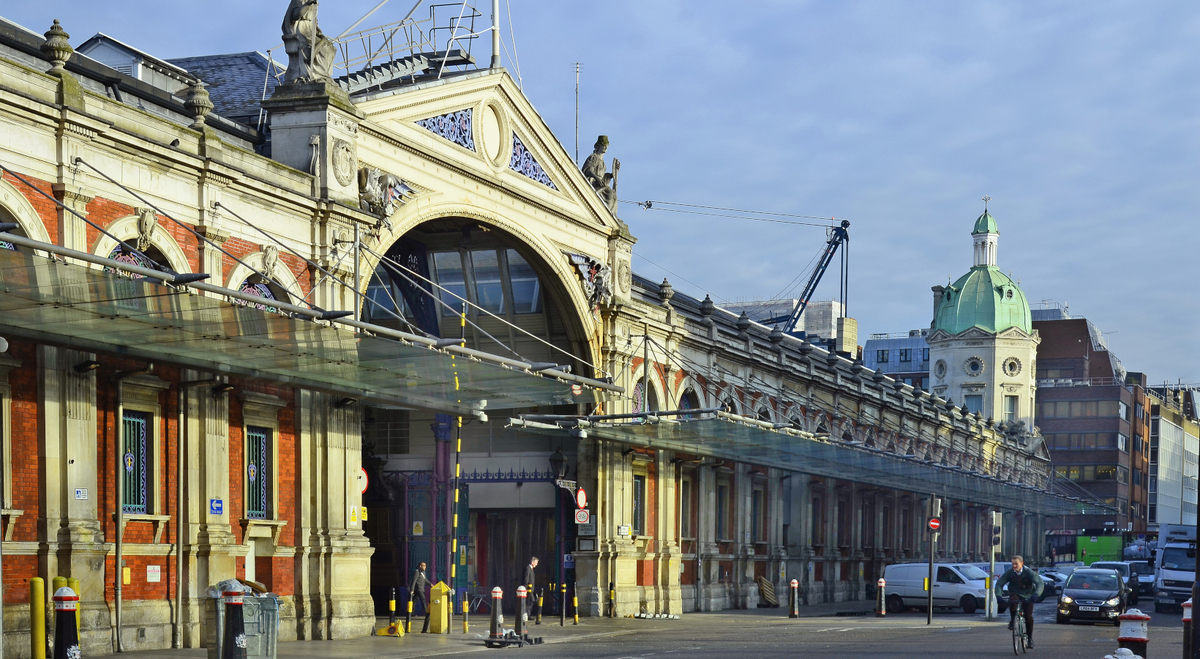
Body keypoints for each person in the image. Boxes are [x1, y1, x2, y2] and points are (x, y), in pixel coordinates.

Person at [993, 555, 1044, 649]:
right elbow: (999, 583)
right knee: (1013, 602)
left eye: (1016, 564)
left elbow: (1040, 583)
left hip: (1028, 594)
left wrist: (1036, 594)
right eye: (1013, 564)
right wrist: (998, 596)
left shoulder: (1029, 572)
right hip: (1015, 592)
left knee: (1028, 617)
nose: (1014, 566)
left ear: (1022, 563)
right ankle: (1013, 621)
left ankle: (1029, 639)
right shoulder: (1010, 573)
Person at [409, 561, 431, 633]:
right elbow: (414, 581)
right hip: (418, 589)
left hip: (421, 588)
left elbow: (425, 580)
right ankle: (426, 612)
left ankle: (411, 613)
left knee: (414, 601)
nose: (425, 567)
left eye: (425, 565)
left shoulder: (423, 572)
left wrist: (430, 584)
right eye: (423, 565)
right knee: (423, 600)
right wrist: (412, 589)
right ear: (420, 566)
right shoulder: (417, 572)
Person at [522, 557, 539, 621]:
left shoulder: (531, 569)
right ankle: (527, 614)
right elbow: (526, 579)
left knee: (533, 600)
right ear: (532, 562)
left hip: (532, 589)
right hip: (528, 589)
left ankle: (527, 614)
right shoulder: (527, 569)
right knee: (531, 601)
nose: (536, 564)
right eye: (536, 563)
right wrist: (525, 588)